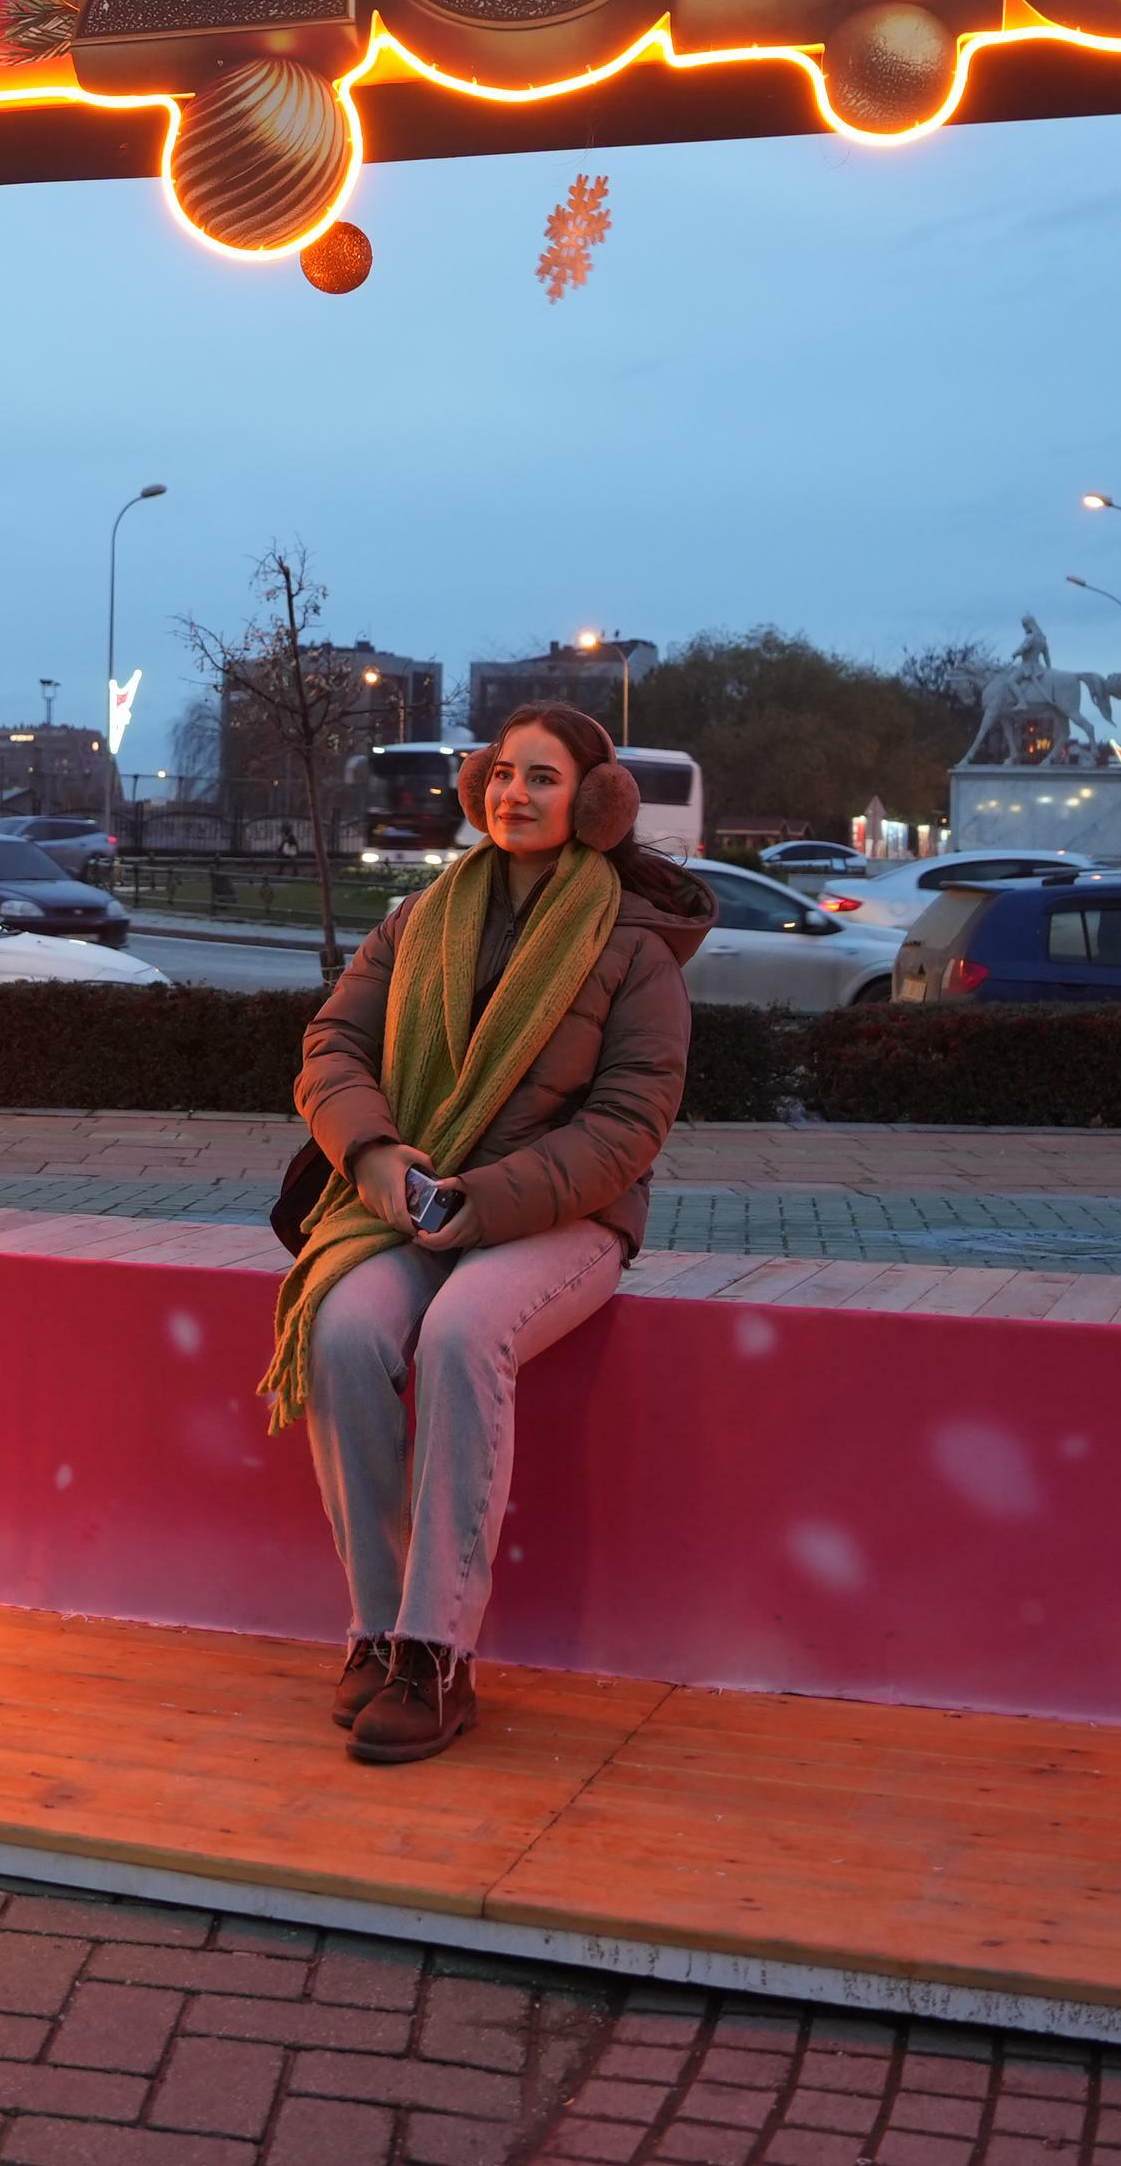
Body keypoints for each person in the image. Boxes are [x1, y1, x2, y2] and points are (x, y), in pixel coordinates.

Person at [268, 700, 709, 1766]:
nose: (516, 793)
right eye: (504, 773)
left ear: (595, 802)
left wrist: (486, 1199)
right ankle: (375, 1633)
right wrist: (374, 1158)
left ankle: (438, 1655)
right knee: (343, 1331)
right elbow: (333, 1043)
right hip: (411, 1206)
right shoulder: (421, 916)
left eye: (543, 778)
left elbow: (627, 1126)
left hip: (566, 1218)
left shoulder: (633, 948)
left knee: (465, 1334)